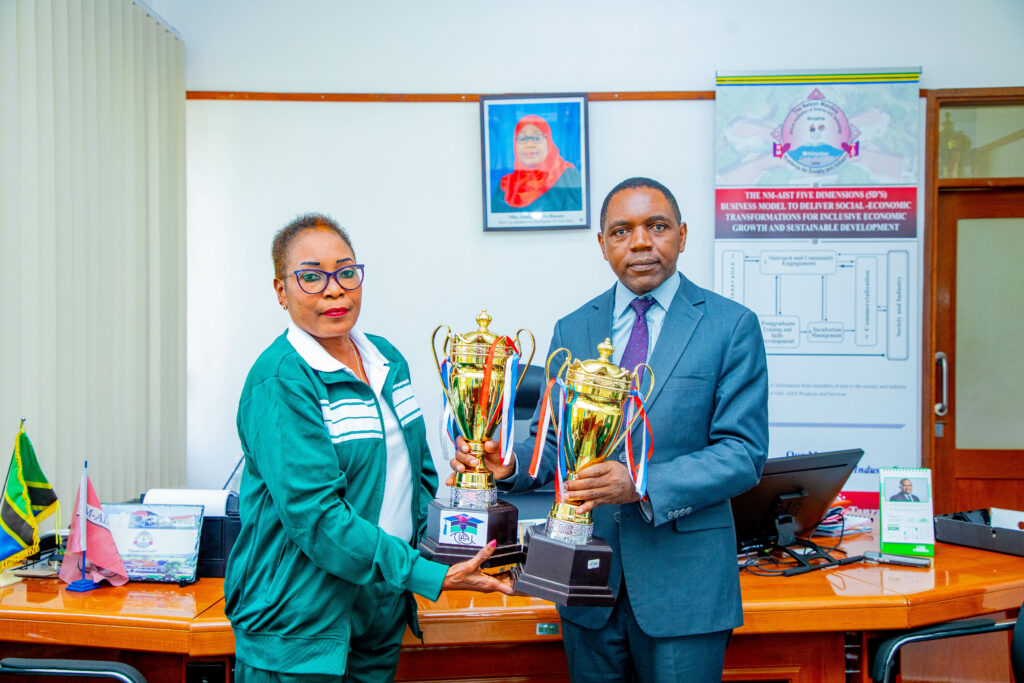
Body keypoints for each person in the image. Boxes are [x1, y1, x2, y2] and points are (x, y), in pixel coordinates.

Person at [451, 178, 769, 682]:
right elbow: (554, 443)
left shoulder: (730, 326)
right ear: (602, 244)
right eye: (622, 231)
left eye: (656, 226)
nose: (640, 242)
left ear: (683, 235)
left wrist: (640, 483)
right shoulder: (573, 328)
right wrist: (508, 463)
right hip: (582, 584)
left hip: (683, 588)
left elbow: (742, 453)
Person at [225, 213, 512, 683]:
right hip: (301, 622)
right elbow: (317, 518)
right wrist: (427, 574)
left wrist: (458, 532)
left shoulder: (386, 359)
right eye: (312, 277)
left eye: (346, 272)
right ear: (281, 290)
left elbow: (416, 477)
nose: (334, 290)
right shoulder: (281, 380)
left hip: (380, 607)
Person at [491, 114, 582, 213]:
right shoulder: (505, 187)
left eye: (536, 138)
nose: (530, 144)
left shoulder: (568, 176)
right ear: (515, 144)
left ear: (548, 142)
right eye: (523, 138)